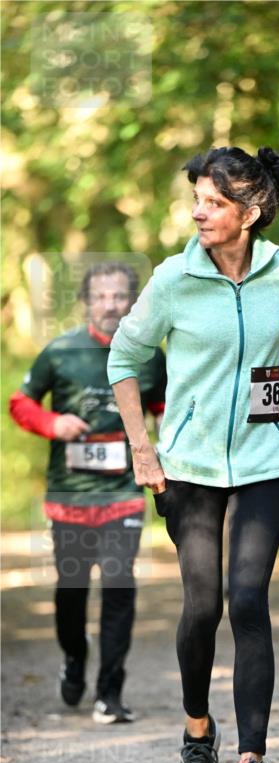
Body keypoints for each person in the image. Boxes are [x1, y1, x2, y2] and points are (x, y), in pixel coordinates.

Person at [108, 145, 279, 763]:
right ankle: (197, 735)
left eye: (213, 202)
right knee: (202, 606)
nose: (198, 212)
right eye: (196, 200)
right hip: (189, 469)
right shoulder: (174, 279)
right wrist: (143, 451)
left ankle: (253, 762)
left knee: (248, 599)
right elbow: (123, 358)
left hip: (265, 462)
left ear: (248, 213)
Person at [9, 263, 167, 723]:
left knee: (119, 586)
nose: (109, 305)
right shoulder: (61, 352)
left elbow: (163, 406)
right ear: (85, 302)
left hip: (124, 495)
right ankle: (75, 654)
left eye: (119, 297)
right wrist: (52, 423)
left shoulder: (149, 356)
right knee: (71, 592)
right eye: (100, 296)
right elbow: (20, 402)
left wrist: (164, 434)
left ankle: (109, 693)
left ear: (132, 303)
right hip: (71, 498)